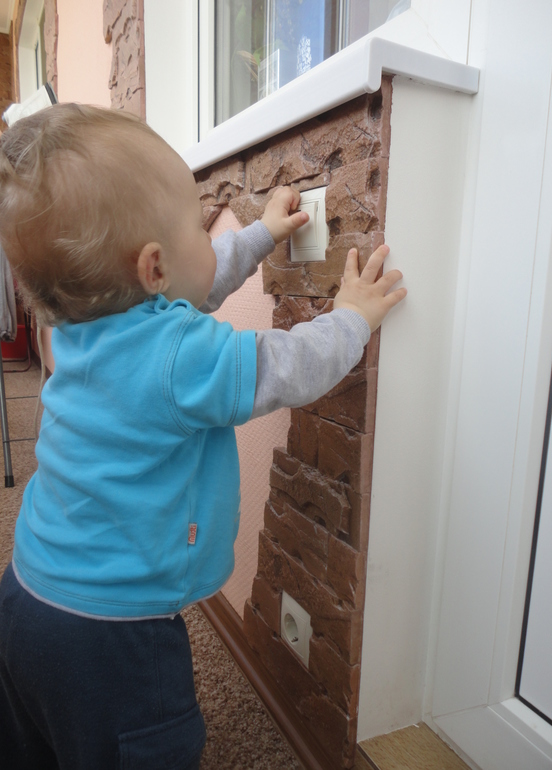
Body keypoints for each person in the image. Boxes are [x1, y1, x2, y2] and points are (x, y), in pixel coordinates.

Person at [0, 104, 406, 770]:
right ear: (154, 268)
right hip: (111, 638)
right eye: (197, 226)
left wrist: (261, 235)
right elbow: (288, 368)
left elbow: (195, 280)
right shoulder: (178, 357)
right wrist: (352, 318)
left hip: (26, 594)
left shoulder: (78, 324)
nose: (209, 238)